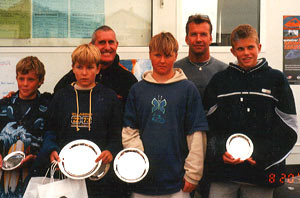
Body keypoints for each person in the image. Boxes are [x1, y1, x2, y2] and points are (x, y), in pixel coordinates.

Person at [203, 24, 298, 198]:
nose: (246, 53)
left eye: (250, 47)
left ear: (259, 47)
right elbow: (207, 125)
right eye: (240, 48)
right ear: (233, 51)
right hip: (224, 175)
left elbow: (290, 129)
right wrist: (219, 154)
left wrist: (262, 157)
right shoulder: (220, 81)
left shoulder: (276, 80)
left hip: (260, 176)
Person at [122, 32, 208, 198]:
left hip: (177, 182)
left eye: (168, 56)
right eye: (157, 55)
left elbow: (196, 134)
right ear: (150, 55)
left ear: (175, 55)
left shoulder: (187, 89)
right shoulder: (137, 90)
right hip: (142, 181)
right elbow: (129, 131)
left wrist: (193, 174)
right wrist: (139, 163)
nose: (162, 60)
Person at [40, 44, 123, 198]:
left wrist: (111, 151)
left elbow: (116, 135)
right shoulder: (61, 96)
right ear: (73, 68)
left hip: (100, 176)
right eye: (79, 67)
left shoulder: (109, 97)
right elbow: (50, 130)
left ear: (98, 69)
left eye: (90, 67)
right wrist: (51, 149)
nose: (84, 73)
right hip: (66, 174)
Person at [0, 56, 52, 197]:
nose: (24, 84)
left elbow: (52, 138)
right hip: (3, 178)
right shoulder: (4, 105)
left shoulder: (48, 106)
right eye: (21, 78)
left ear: (41, 81)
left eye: (30, 80)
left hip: (34, 175)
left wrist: (36, 157)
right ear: (16, 78)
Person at [54, 25, 138, 108]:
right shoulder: (73, 78)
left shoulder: (128, 80)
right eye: (102, 42)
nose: (107, 47)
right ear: (92, 45)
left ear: (116, 45)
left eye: (111, 42)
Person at [174, 14, 227, 98]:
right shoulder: (175, 70)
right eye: (194, 34)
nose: (198, 39)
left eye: (203, 34)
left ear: (210, 39)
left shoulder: (224, 71)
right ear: (186, 39)